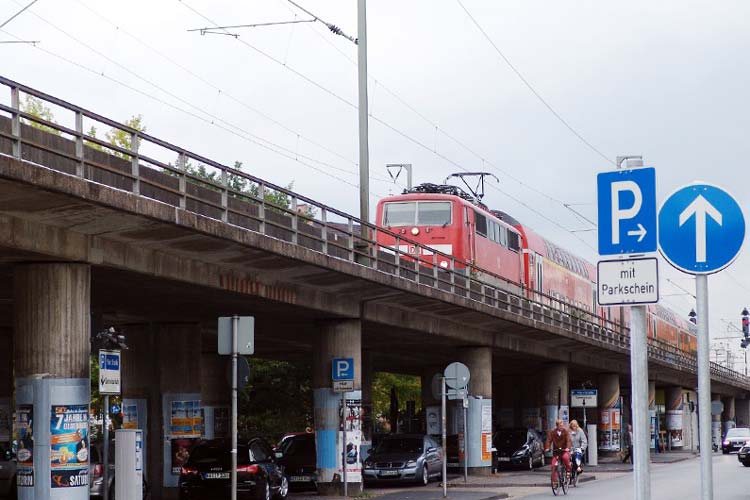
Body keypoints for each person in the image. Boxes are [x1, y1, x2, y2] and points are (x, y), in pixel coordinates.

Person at [544, 419, 572, 484]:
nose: (561, 427)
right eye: (560, 425)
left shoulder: (566, 432)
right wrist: (547, 448)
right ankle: (555, 482)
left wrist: (567, 448)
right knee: (553, 465)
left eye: (562, 425)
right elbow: (548, 440)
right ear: (557, 426)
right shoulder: (552, 432)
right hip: (556, 452)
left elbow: (568, 440)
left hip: (564, 450)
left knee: (565, 458)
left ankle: (568, 470)